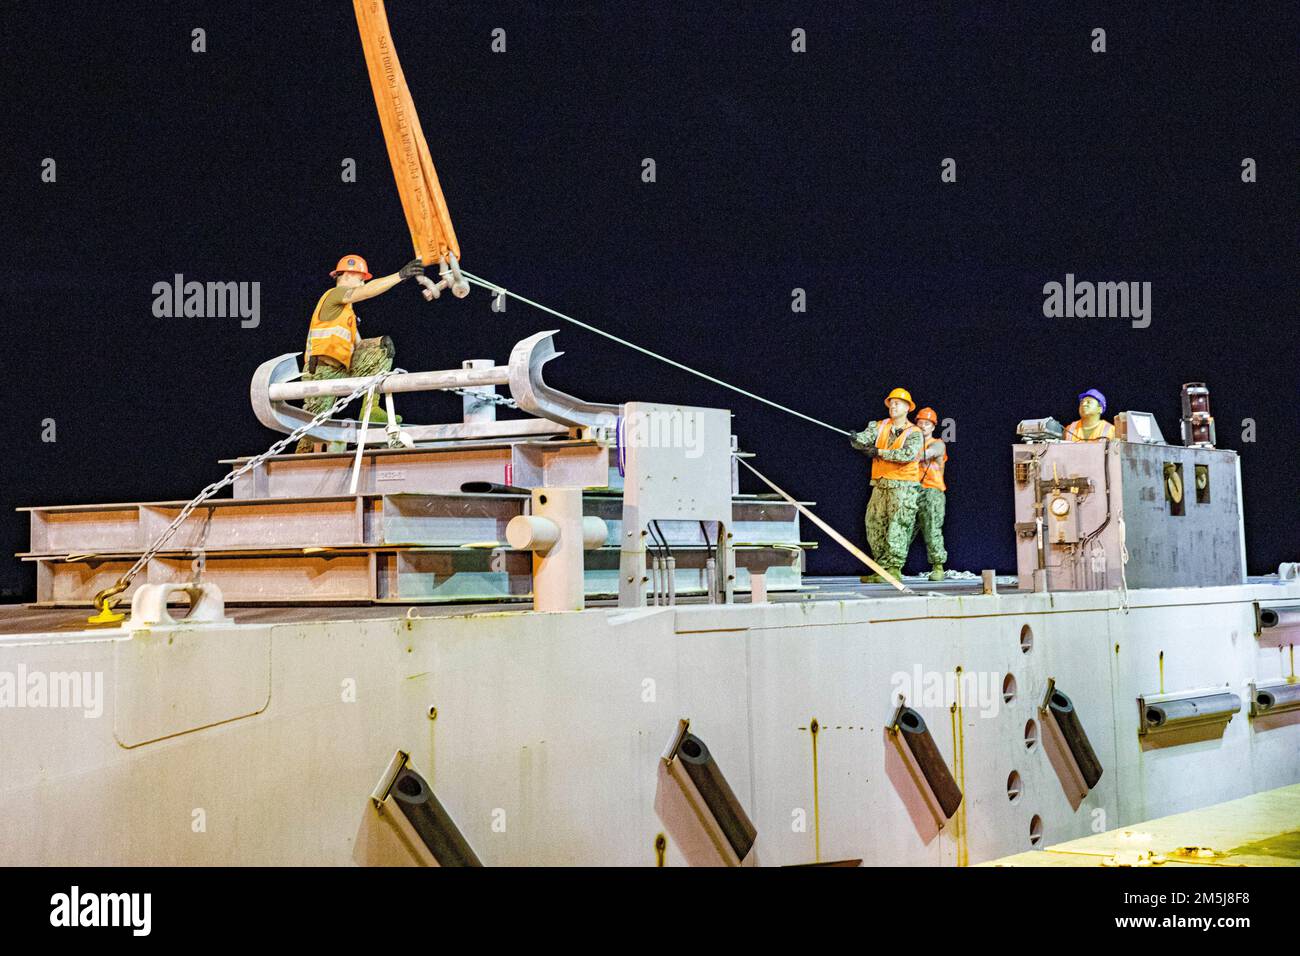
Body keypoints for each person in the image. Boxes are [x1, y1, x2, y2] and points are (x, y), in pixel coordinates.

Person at [294, 253, 424, 454]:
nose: (363, 282)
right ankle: (300, 464)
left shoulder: (347, 313)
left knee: (380, 349)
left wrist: (381, 344)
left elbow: (360, 345)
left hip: (342, 370)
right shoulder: (333, 296)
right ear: (345, 275)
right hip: (320, 371)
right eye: (360, 277)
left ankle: (370, 410)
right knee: (313, 432)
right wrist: (400, 275)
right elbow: (366, 293)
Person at [850, 388, 923, 583]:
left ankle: (894, 568)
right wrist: (856, 439)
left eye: (897, 402)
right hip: (881, 483)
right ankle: (881, 567)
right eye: (891, 402)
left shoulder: (915, 432)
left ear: (908, 407)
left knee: (898, 525)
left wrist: (879, 452)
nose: (893, 405)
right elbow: (865, 439)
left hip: (903, 486)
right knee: (874, 523)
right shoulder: (880, 425)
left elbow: (907, 455)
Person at [909, 407, 948, 581]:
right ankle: (891, 567)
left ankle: (938, 566)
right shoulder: (911, 443)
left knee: (932, 528)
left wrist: (904, 454)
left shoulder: (938, 443)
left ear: (933, 427)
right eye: (920, 423)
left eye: (927, 423)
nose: (923, 426)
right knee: (903, 530)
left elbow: (928, 454)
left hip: (932, 491)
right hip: (911, 491)